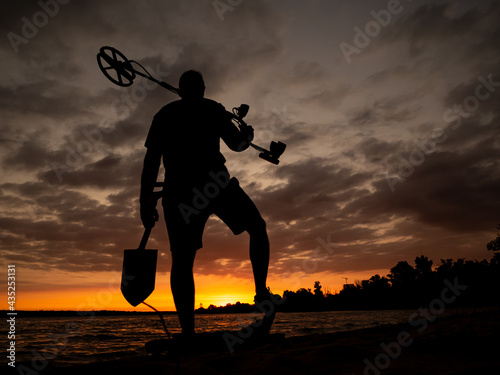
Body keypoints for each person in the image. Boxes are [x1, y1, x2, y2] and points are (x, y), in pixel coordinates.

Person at [140, 70, 275, 335]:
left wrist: (145, 200)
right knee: (256, 227)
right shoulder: (213, 109)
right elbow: (237, 144)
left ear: (180, 91)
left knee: (182, 259)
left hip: (181, 192)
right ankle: (261, 294)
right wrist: (247, 134)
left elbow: (151, 161)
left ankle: (188, 334)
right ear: (202, 89)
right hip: (214, 185)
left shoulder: (166, 114)